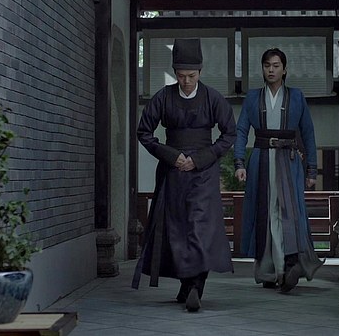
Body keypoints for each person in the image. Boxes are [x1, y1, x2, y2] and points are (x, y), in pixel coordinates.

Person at [132, 38, 236, 312]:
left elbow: (229, 134)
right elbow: (144, 132)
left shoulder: (213, 98)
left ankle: (195, 286)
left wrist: (201, 158)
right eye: (181, 76)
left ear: (200, 72)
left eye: (191, 75)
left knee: (200, 228)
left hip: (204, 172)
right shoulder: (163, 97)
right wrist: (170, 155)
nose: (186, 81)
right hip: (173, 172)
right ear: (175, 73)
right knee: (177, 230)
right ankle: (188, 284)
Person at [234, 47, 324, 293]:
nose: (271, 70)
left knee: (289, 213)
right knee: (264, 213)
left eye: (276, 66)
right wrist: (239, 162)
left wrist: (312, 170)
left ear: (284, 69)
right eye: (267, 66)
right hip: (261, 160)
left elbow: (308, 133)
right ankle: (268, 270)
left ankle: (289, 266)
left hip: (289, 160)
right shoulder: (253, 97)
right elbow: (241, 131)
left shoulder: (296, 97)